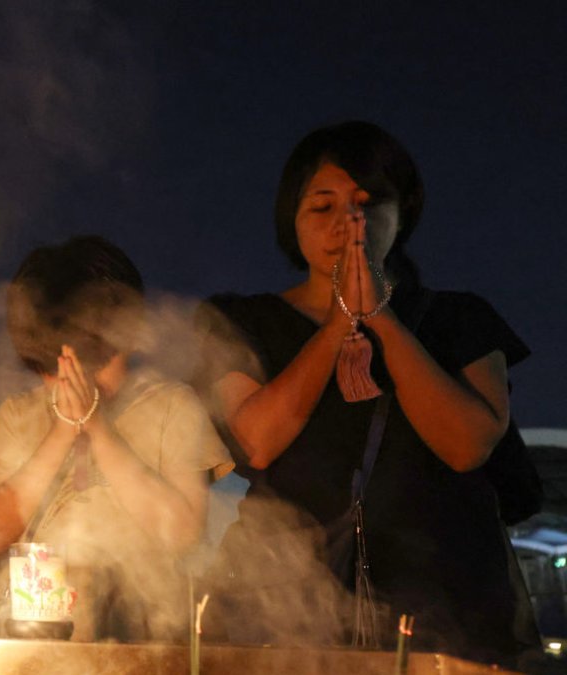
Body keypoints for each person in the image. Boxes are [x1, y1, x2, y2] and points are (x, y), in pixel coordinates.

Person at [200, 121, 537, 665]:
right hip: (285, 603)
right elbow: (257, 442)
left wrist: (381, 319)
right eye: (322, 206)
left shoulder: (461, 318)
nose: (346, 223)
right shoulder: (241, 321)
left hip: (446, 608)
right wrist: (339, 324)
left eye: (367, 204)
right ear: (293, 218)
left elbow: (467, 444)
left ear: (402, 215)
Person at [0, 236, 232, 642]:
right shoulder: (19, 414)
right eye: (54, 366)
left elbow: (183, 533)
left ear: (127, 336)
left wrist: (96, 427)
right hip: (43, 644)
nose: (73, 380)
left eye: (91, 361)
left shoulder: (171, 406)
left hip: (148, 637)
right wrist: (62, 430)